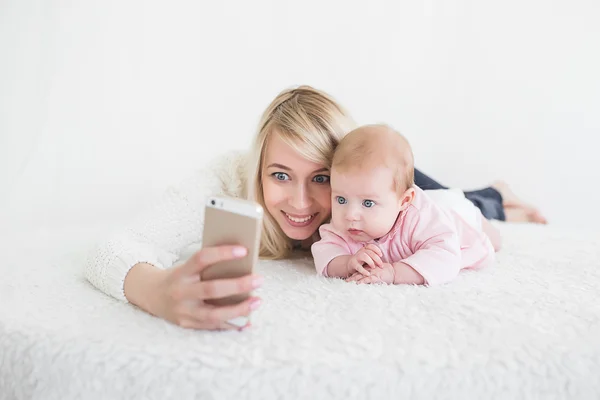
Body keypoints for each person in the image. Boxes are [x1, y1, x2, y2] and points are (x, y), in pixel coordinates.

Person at [84, 85, 547, 331]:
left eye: (322, 179)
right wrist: (158, 291)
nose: (303, 203)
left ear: (340, 174)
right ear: (257, 166)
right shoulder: (226, 179)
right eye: (280, 175)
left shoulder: (367, 192)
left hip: (396, 185)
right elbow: (111, 248)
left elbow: (443, 235)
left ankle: (495, 193)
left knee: (466, 205)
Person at [311, 124, 498, 286]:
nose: (350, 214)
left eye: (368, 203)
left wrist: (394, 272)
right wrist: (347, 263)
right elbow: (324, 252)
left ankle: (492, 201)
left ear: (404, 201)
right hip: (432, 200)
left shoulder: (423, 219)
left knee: (494, 241)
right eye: (341, 200)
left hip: (454, 213)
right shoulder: (344, 224)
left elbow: (445, 258)